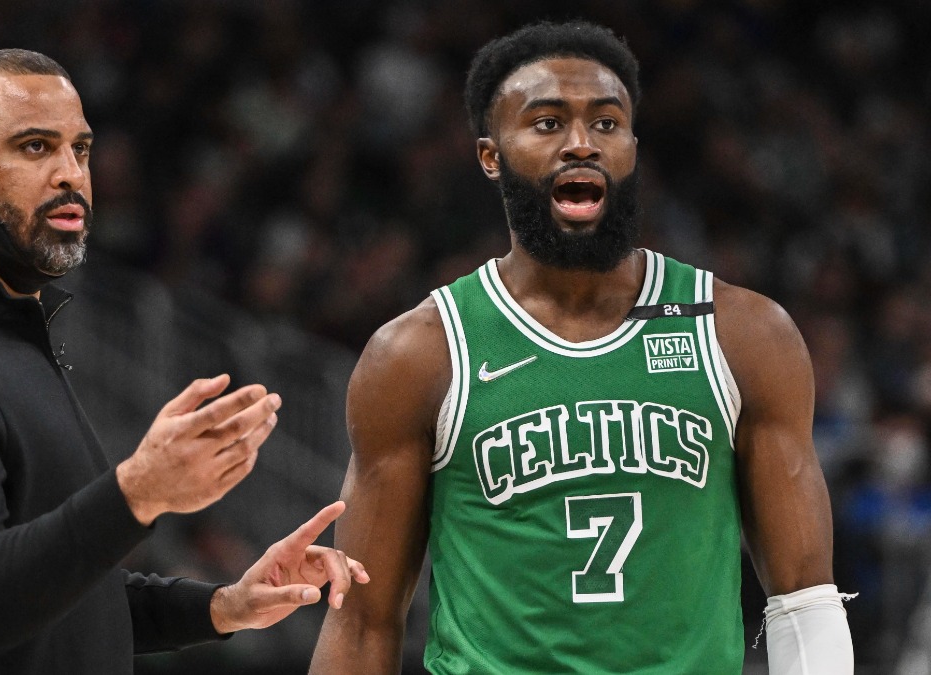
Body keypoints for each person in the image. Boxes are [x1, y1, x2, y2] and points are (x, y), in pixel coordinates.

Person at [311, 20, 852, 674]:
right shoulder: (418, 354)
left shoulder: (742, 333)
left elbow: (805, 603)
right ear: (490, 156)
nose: (581, 143)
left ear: (632, 147)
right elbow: (362, 623)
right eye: (547, 123)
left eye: (606, 124)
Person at [0, 49, 367, 675]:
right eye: (35, 147)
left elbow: (61, 601)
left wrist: (222, 606)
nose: (71, 175)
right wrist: (136, 494)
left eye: (80, 149)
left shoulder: (1, 338)